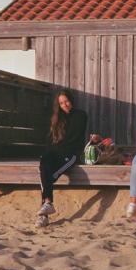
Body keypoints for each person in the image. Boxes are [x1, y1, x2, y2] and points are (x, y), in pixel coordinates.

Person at [36, 89, 87, 227]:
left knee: (46, 177)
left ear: (71, 101)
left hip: (71, 154)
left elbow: (74, 138)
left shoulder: (80, 115)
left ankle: (44, 215)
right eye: (61, 103)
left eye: (66, 101)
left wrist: (57, 148)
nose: (65, 105)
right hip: (56, 152)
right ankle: (47, 205)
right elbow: (50, 141)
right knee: (43, 163)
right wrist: (48, 153)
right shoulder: (56, 118)